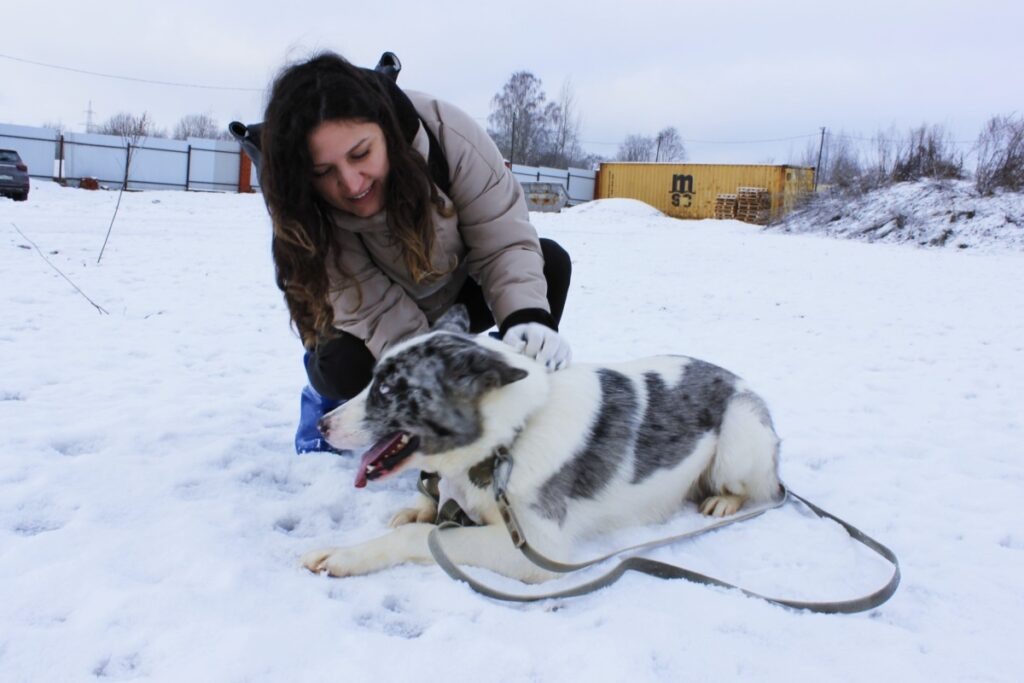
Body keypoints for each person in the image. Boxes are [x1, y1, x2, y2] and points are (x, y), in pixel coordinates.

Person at [258, 53, 573, 453]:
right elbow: (371, 310)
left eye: (360, 154)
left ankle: (510, 393)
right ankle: (330, 400)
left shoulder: (449, 136)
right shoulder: (304, 212)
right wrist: (436, 389)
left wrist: (526, 319)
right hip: (362, 319)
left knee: (549, 265)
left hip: (449, 289)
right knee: (343, 369)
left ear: (386, 131)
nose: (351, 183)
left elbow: (503, 240)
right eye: (324, 172)